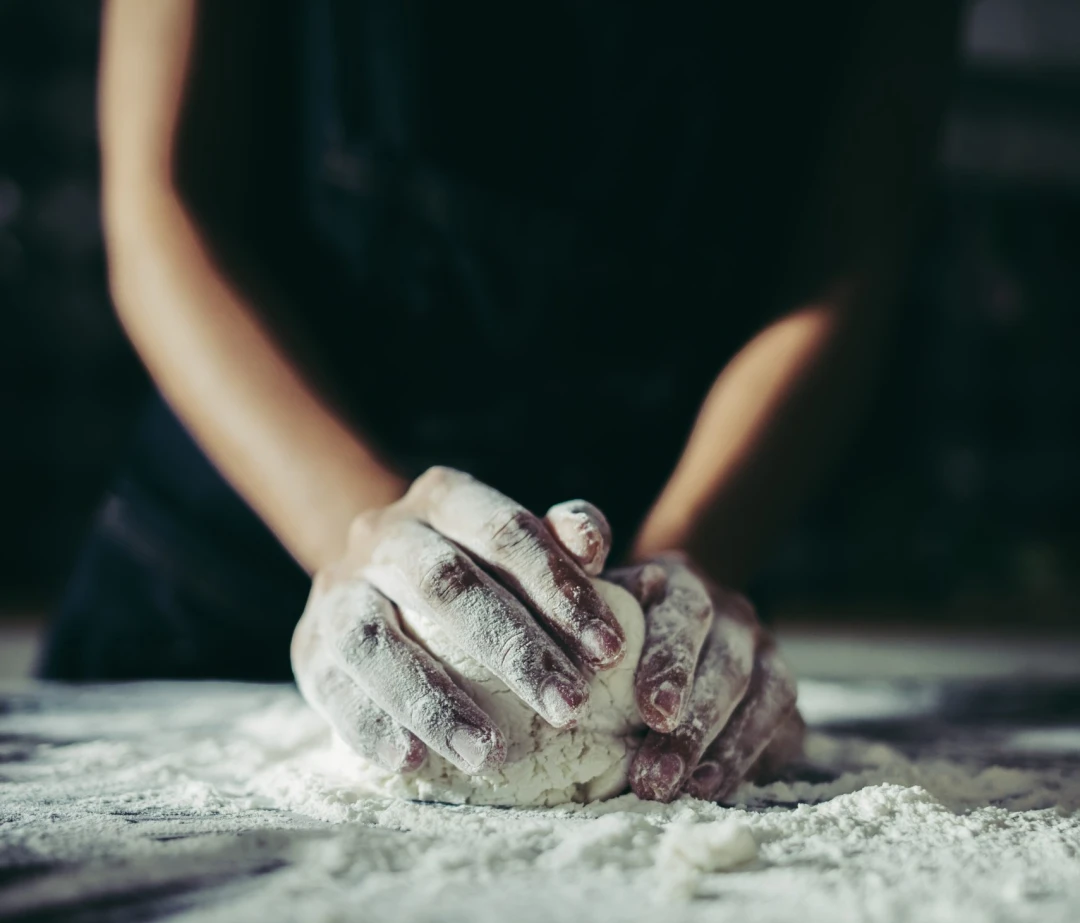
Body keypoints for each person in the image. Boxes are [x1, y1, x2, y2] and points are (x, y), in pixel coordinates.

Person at [41, 0, 959, 803]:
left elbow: (841, 275)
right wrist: (369, 538)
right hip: (226, 574)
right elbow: (165, 208)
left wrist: (678, 586)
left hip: (636, 557)